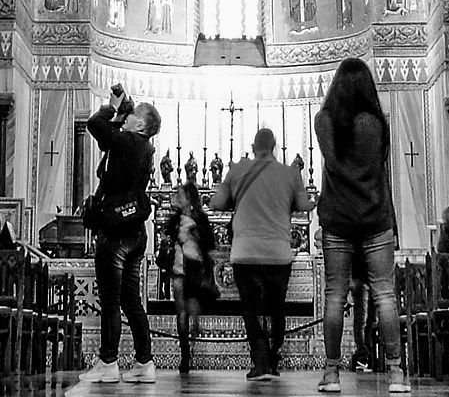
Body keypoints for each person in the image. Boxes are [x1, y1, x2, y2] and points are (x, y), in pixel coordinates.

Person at [314, 58, 407, 393]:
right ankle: (396, 373)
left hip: (337, 218)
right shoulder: (378, 125)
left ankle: (332, 373)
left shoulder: (324, 121)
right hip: (376, 217)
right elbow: (381, 171)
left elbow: (332, 163)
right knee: (385, 294)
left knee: (335, 295)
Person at [211, 127, 313, 383]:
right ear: (275, 147)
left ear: (254, 146)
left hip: (245, 252)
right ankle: (274, 358)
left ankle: (260, 363)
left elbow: (216, 203)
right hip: (278, 253)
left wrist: (233, 185)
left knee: (251, 309)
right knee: (277, 307)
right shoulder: (290, 173)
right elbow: (304, 206)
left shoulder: (237, 170)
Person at [85, 85, 162, 385]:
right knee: (131, 299)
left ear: (141, 124)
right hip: (134, 231)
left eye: (134, 114)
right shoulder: (144, 149)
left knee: (110, 298)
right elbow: (109, 144)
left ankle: (108, 362)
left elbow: (95, 126)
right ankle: (144, 362)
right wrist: (120, 114)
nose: (129, 115)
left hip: (115, 233)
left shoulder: (130, 141)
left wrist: (111, 109)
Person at [157, 178, 221, 367]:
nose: (176, 197)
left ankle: (192, 339)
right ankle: (185, 352)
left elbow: (210, 242)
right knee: (181, 311)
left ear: (189, 198)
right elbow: (167, 237)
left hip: (195, 269)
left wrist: (195, 234)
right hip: (178, 268)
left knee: (192, 308)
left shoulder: (200, 219)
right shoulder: (174, 220)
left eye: (180, 195)